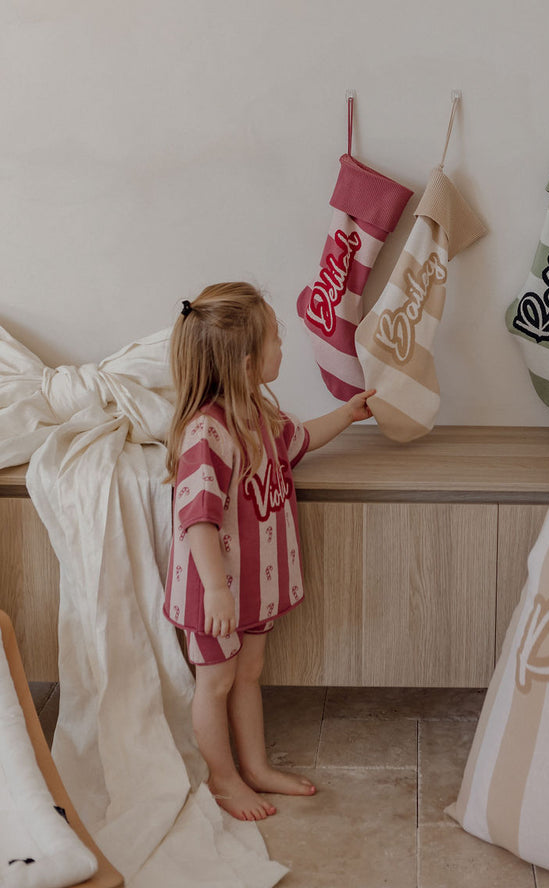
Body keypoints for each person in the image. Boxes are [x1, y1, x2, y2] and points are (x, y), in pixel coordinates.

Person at [163, 282, 374, 822]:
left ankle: (254, 766)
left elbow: (301, 438)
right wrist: (214, 588)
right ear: (249, 358)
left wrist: (347, 415)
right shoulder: (206, 434)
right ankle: (223, 778)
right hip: (217, 592)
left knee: (248, 673)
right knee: (216, 682)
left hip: (255, 585)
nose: (285, 346)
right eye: (278, 338)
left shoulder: (259, 416)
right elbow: (198, 520)